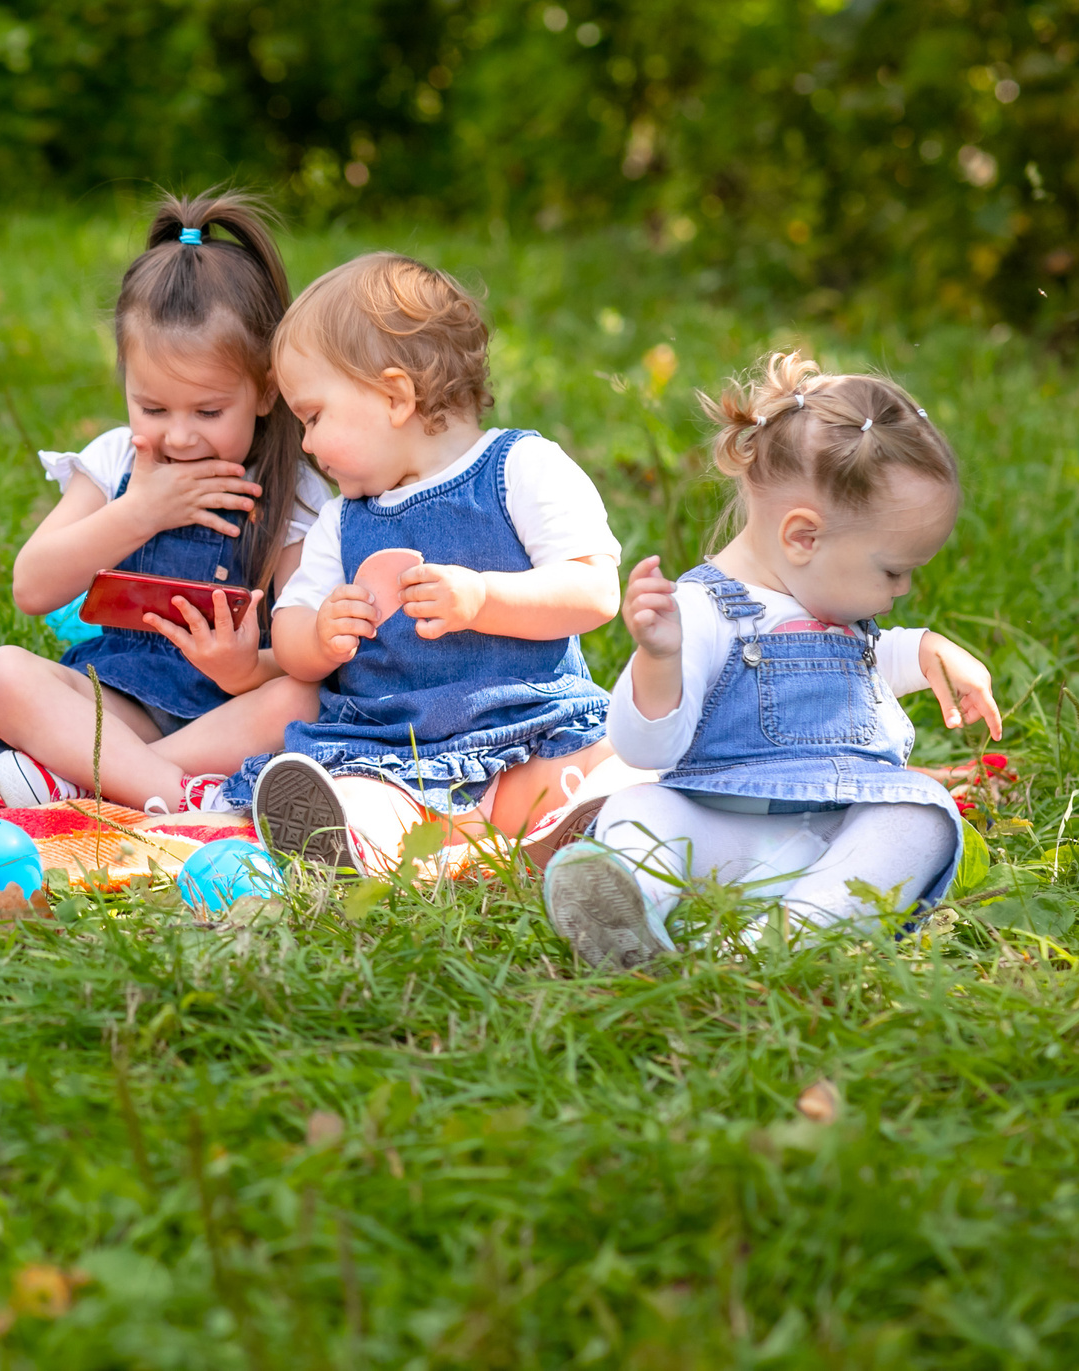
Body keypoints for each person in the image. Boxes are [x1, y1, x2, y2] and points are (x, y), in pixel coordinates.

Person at [543, 353, 999, 967]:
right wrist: (658, 660)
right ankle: (627, 906)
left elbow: (856, 669)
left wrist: (924, 651)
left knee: (924, 820)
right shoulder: (702, 611)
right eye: (894, 571)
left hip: (837, 840)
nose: (903, 591)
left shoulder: (834, 608)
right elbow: (643, 750)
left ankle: (773, 943)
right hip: (721, 832)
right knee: (640, 806)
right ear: (803, 537)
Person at [240, 252, 622, 872]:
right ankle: (358, 840)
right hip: (394, 755)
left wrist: (484, 600)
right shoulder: (341, 521)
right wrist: (319, 636)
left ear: (395, 396)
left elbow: (595, 590)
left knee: (619, 766)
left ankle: (575, 826)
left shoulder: (521, 468)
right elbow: (288, 635)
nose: (305, 443)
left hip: (533, 732)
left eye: (313, 417)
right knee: (363, 799)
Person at [0, 194, 329, 814]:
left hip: (228, 715)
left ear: (266, 392)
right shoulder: (114, 462)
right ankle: (185, 795)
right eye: (153, 409)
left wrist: (245, 668)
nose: (180, 436)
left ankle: (98, 780)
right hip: (115, 705)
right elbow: (31, 588)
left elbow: (305, 650)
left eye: (209, 412)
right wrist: (140, 511)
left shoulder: (291, 490)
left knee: (304, 701)